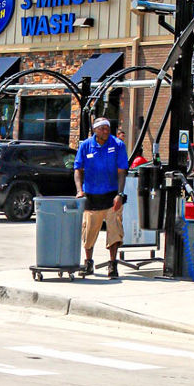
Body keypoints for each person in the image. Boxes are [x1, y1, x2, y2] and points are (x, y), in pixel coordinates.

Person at [74, 117, 129, 278]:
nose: (106, 131)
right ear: (95, 130)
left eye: (108, 128)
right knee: (88, 232)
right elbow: (78, 169)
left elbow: (122, 172)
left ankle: (112, 265)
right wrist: (79, 190)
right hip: (91, 196)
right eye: (102, 128)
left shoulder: (118, 145)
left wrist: (120, 194)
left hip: (112, 196)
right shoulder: (86, 146)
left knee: (115, 231)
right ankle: (88, 263)